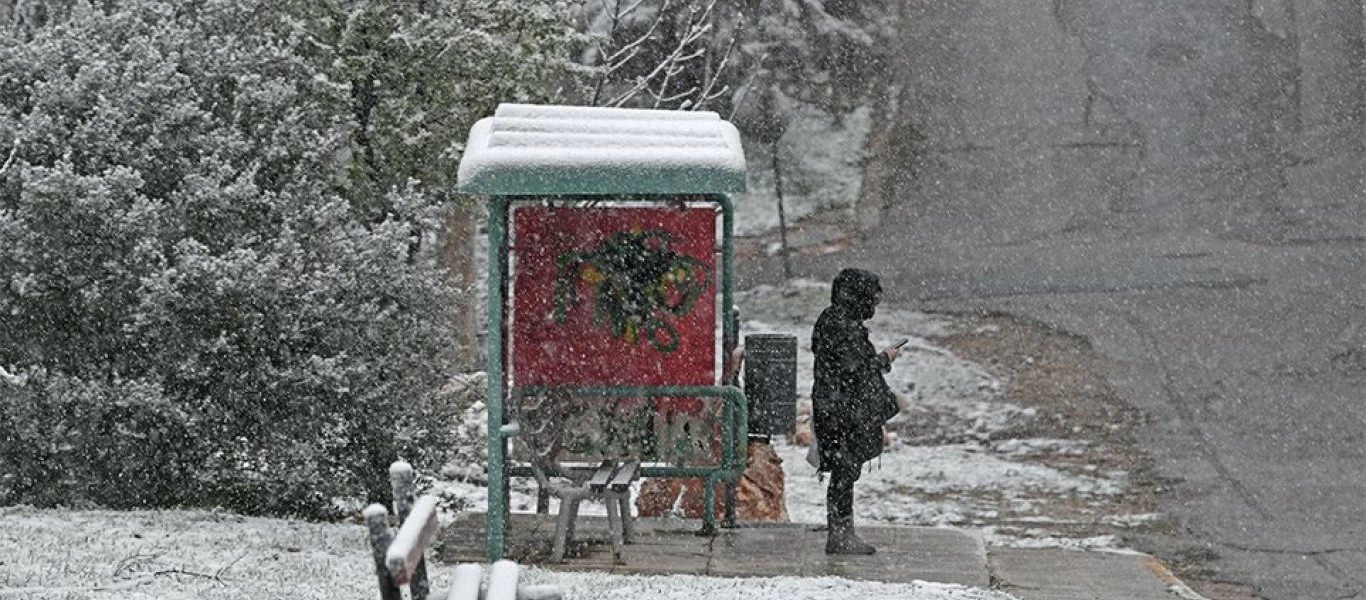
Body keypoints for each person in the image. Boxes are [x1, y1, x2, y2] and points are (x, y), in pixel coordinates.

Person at [811, 268, 901, 555]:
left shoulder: (833, 319)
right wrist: (884, 359)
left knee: (844, 467)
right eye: (871, 300)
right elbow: (855, 371)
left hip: (834, 405)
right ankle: (840, 534)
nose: (873, 307)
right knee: (845, 468)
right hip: (842, 410)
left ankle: (840, 531)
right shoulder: (844, 326)